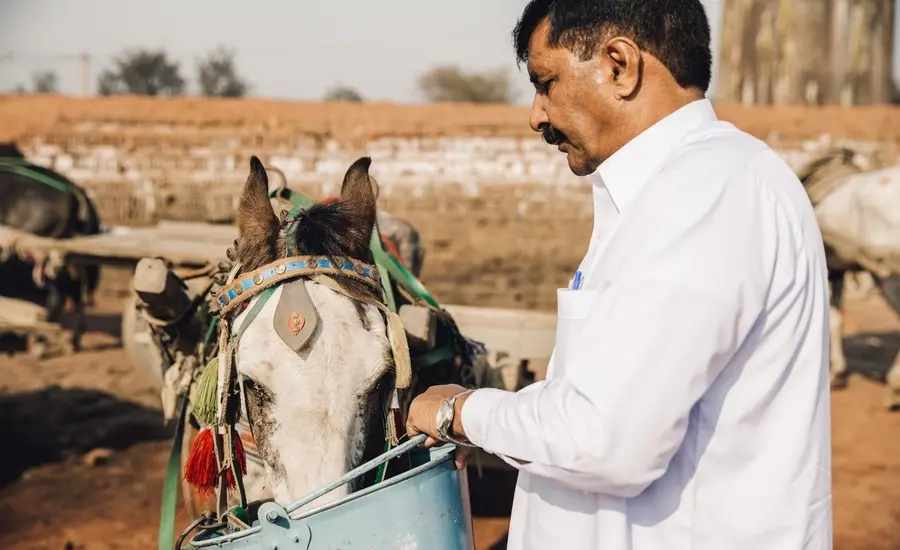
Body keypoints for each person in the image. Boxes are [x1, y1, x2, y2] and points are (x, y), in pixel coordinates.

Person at [405, 0, 833, 548]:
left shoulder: (707, 192)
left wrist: (457, 411)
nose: (537, 114)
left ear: (619, 65)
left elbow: (604, 439)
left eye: (547, 82)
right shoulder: (675, 189)